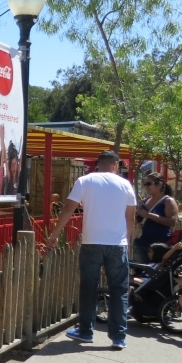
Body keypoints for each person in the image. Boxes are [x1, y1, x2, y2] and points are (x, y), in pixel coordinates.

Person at [47, 150, 136, 350]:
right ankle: (118, 337)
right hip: (117, 244)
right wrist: (126, 241)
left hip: (92, 241)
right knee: (119, 289)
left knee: (88, 287)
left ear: (98, 164)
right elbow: (130, 217)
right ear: (115, 165)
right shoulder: (125, 184)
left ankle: (86, 331)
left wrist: (54, 235)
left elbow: (68, 209)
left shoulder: (85, 181)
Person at [132, 172, 178, 263]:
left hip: (159, 245)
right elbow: (137, 220)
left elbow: (172, 222)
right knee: (139, 271)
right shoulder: (146, 200)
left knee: (155, 272)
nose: (146, 186)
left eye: (149, 184)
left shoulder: (168, 201)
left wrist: (149, 215)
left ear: (160, 184)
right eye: (144, 184)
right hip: (142, 242)